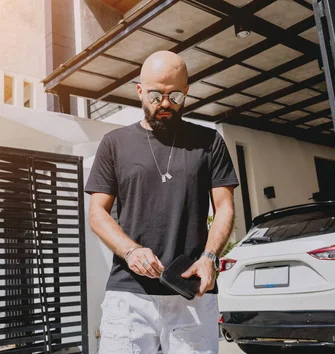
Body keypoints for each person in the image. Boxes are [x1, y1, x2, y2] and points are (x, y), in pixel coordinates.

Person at [86, 50, 239, 354]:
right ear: (140, 91)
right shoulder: (114, 144)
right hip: (129, 294)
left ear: (187, 92)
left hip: (192, 293)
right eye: (156, 95)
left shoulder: (209, 142)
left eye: (175, 96)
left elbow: (224, 206)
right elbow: (97, 213)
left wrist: (210, 257)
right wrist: (130, 250)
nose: (165, 104)